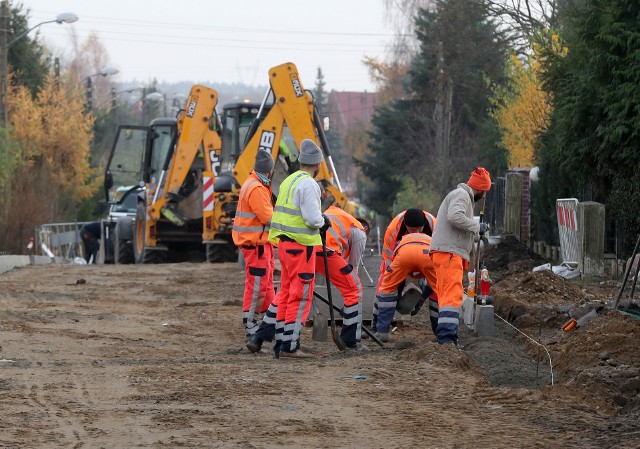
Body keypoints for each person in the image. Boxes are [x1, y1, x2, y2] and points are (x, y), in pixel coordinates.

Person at [248, 138, 329, 359]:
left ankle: (266, 337)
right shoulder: (310, 184)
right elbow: (313, 219)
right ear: (318, 164)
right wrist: (324, 221)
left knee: (285, 293)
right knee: (300, 297)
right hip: (302, 248)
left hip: (283, 246)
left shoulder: (289, 181)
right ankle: (289, 346)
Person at [430, 167, 491, 345]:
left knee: (446, 295)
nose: (484, 197)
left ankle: (446, 337)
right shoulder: (461, 195)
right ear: (481, 189)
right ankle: (447, 340)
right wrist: (475, 226)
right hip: (449, 253)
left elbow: (463, 229)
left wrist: (471, 255)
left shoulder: (463, 197)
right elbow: (454, 217)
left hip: (447, 253)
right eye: (485, 192)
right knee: (452, 296)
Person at [371, 209, 438, 341]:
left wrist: (392, 285)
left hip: (404, 254)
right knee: (440, 289)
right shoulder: (394, 229)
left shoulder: (434, 225)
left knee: (386, 288)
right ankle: (442, 333)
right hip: (427, 254)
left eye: (418, 230)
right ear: (405, 226)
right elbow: (388, 258)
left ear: (423, 226)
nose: (416, 234)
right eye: (412, 231)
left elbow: (390, 267)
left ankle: (380, 330)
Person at [232, 149, 276, 343]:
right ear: (270, 170)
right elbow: (268, 217)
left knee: (265, 285)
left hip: (261, 244)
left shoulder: (255, 184)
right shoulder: (257, 188)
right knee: (257, 286)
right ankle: (251, 325)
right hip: (255, 244)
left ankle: (268, 323)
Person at [316, 204, 368, 351]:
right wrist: (350, 306)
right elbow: (353, 268)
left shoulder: (332, 214)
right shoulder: (360, 232)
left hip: (307, 248)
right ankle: (351, 342)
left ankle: (277, 336)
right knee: (354, 289)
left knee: (301, 289)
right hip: (325, 249)